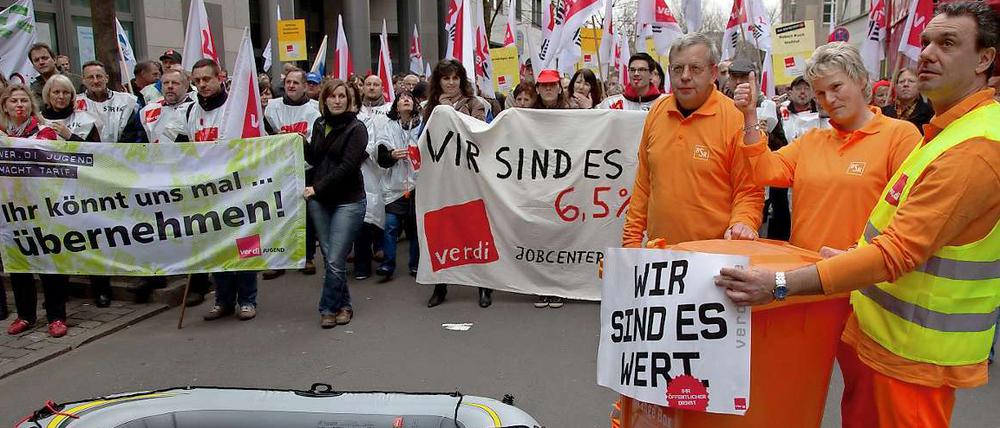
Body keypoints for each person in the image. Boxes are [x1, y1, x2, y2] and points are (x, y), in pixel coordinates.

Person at [715, 3, 1000, 427]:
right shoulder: (824, 141)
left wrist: (779, 284)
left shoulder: (923, 139)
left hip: (886, 325)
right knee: (819, 397)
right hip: (836, 297)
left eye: (947, 43)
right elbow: (765, 171)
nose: (926, 54)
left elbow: (898, 249)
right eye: (925, 42)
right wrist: (751, 118)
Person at [736, 42, 922, 423]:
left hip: (865, 289)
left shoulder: (899, 136)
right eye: (820, 92)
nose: (828, 99)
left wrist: (862, 256)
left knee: (865, 391)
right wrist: (750, 116)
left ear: (861, 81)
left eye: (836, 87)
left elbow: (908, 213)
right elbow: (765, 171)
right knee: (794, 384)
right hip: (806, 288)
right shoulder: (812, 141)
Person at [622, 33, 763, 248]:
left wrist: (743, 222)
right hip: (661, 257)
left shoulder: (736, 118)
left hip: (714, 261)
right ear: (669, 72)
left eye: (695, 69)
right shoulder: (657, 112)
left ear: (713, 73)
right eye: (678, 69)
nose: (685, 76)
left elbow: (749, 190)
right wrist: (631, 243)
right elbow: (643, 185)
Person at [177, 59, 258, 318]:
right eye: (197, 80)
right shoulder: (189, 112)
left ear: (220, 77)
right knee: (218, 246)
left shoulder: (235, 109)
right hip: (207, 194)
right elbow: (181, 151)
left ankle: (247, 299)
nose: (202, 85)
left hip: (239, 190)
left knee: (245, 244)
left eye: (207, 79)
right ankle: (223, 300)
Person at [0, 85, 70, 338]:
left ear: (32, 105)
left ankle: (56, 316)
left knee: (49, 262)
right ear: (5, 106)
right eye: (13, 101)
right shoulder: (1, 134)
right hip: (11, 211)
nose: (19, 105)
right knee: (19, 264)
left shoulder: (45, 132)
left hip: (43, 208)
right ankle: (25, 315)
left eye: (24, 100)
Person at [422, 59, 492, 308]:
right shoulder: (428, 108)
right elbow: (425, 138)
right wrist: (439, 110)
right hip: (441, 178)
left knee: (476, 230)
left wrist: (449, 112)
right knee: (441, 231)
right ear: (438, 82)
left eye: (455, 78)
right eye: (445, 78)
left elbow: (479, 132)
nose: (450, 83)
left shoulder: (476, 104)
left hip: (470, 176)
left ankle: (484, 285)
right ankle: (440, 285)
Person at [306, 79, 368, 328]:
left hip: (348, 200)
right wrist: (299, 143)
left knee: (334, 258)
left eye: (342, 96)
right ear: (325, 100)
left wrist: (317, 187)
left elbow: (347, 166)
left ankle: (327, 308)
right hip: (320, 201)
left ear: (350, 99)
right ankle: (345, 305)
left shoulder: (357, 128)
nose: (338, 100)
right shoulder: (319, 124)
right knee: (331, 256)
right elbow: (315, 158)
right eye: (332, 96)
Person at [261, 68, 321, 280]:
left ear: (305, 86)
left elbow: (316, 143)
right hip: (280, 170)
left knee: (307, 214)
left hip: (306, 170)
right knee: (279, 213)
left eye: (296, 82)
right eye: (288, 82)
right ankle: (278, 260)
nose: (291, 86)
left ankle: (307, 256)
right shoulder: (272, 108)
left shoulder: (315, 111)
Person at [375, 91, 420, 282]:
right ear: (396, 106)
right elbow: (380, 155)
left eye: (410, 97)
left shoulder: (423, 126)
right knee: (391, 225)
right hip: (395, 186)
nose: (406, 99)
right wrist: (392, 155)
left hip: (419, 185)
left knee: (415, 229)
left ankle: (416, 264)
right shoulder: (388, 128)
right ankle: (388, 264)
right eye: (402, 98)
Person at [354, 74, 390, 281]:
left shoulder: (388, 110)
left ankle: (381, 247)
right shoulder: (356, 110)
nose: (372, 87)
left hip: (383, 167)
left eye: (376, 84)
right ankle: (361, 256)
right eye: (368, 84)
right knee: (365, 212)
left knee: (383, 208)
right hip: (362, 168)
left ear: (382, 88)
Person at [77, 61, 146, 143]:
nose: (95, 81)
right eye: (90, 77)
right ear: (83, 80)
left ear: (107, 78)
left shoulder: (129, 101)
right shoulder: (74, 103)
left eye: (99, 76)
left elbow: (138, 133)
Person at [40, 74, 101, 142]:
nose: (61, 96)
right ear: (48, 95)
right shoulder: (37, 120)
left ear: (72, 96)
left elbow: (96, 150)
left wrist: (70, 136)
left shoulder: (86, 120)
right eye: (56, 92)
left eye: (66, 92)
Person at [139, 68, 192, 144]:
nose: (170, 86)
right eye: (166, 83)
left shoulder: (194, 110)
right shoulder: (148, 110)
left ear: (186, 86)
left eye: (175, 83)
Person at [597, 53, 665, 110]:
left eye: (641, 70)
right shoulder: (611, 104)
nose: (636, 73)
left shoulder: (664, 103)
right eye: (632, 70)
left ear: (651, 74)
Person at [882, 68, 935, 133]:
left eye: (911, 81)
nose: (906, 84)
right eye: (901, 82)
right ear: (896, 87)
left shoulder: (930, 113)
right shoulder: (883, 113)